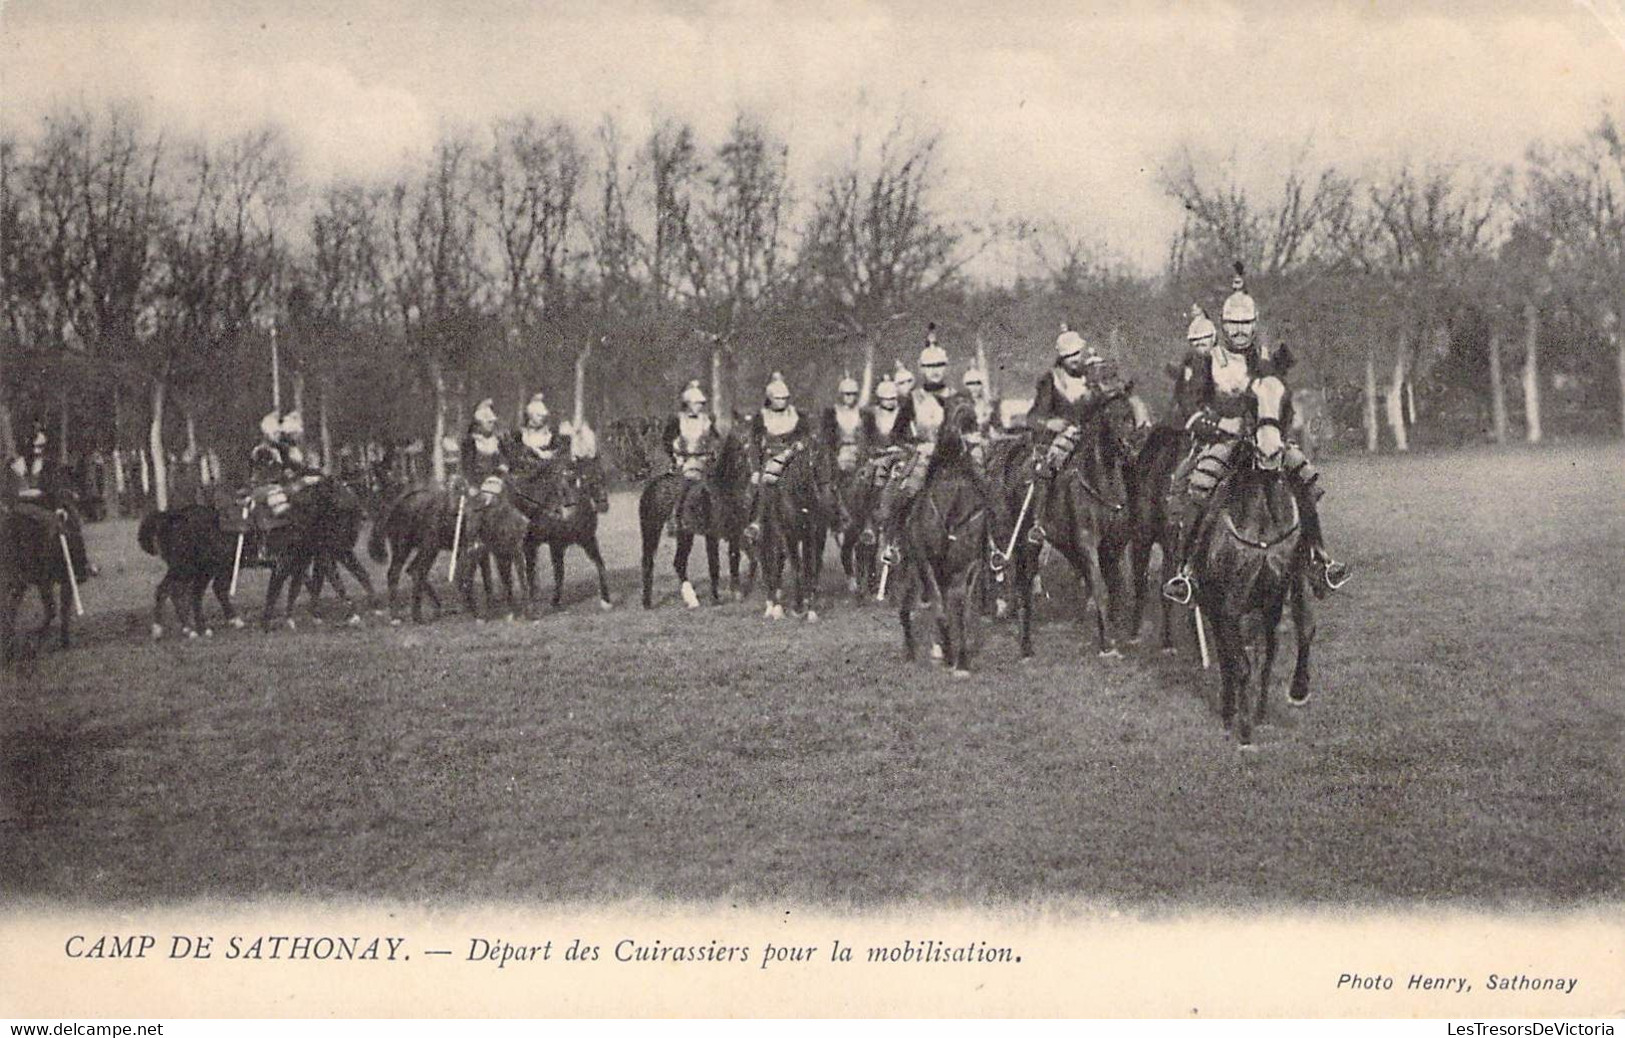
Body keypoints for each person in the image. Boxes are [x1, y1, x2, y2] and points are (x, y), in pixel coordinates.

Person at [1161, 266, 1348, 604]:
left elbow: (1281, 400)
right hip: (1221, 441)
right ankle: (1185, 570)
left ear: (1255, 323)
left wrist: (1276, 430)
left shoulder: (1264, 359)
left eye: (1246, 323)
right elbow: (1191, 407)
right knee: (1196, 487)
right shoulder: (1209, 361)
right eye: (1233, 324)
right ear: (1223, 325)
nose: (1240, 331)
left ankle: (1319, 557)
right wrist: (1220, 425)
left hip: (1262, 439)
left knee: (1304, 479)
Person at [865, 327, 1002, 569]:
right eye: (930, 367)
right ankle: (894, 543)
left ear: (946, 367)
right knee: (904, 490)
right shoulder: (912, 398)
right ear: (922, 369)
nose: (935, 371)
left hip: (956, 458)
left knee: (986, 487)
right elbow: (897, 434)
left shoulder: (959, 398)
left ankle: (994, 546)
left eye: (939, 365)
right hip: (925, 457)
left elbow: (971, 430)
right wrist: (917, 446)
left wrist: (971, 441)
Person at [1022, 328, 1111, 545]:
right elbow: (1033, 418)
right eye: (1068, 356)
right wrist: (1050, 423)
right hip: (1064, 437)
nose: (1073, 360)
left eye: (1076, 354)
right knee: (1046, 466)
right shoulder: (1052, 380)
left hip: (1094, 434)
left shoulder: (1094, 374)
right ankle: (1038, 522)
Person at [742, 372, 809, 542]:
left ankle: (811, 519)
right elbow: (754, 443)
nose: (782, 402)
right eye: (778, 398)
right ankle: (757, 521)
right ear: (770, 398)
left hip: (794, 458)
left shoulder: (797, 415)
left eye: (785, 398)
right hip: (769, 459)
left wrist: (801, 444)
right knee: (764, 482)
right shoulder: (761, 417)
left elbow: (805, 435)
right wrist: (755, 469)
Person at [663, 379, 720, 536]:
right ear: (687, 403)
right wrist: (674, 456)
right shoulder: (678, 420)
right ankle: (676, 518)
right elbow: (667, 440)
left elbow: (715, 438)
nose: (699, 407)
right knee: (685, 484)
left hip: (704, 458)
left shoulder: (706, 420)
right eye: (696, 403)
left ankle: (717, 518)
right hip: (684, 458)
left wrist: (713, 450)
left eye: (701, 403)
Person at [507, 392, 570, 477]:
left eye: (543, 416)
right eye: (538, 415)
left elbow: (557, 457)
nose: (542, 418)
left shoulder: (551, 436)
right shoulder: (520, 435)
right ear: (530, 415)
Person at [822, 374, 866, 476]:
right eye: (847, 394)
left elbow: (868, 437)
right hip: (837, 454)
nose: (850, 397)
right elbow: (826, 438)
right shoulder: (831, 414)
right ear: (841, 394)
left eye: (853, 394)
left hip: (859, 454)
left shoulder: (863, 414)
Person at [460, 399, 508, 483]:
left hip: (497, 482)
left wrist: (503, 467)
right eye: (488, 422)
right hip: (476, 484)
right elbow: (467, 468)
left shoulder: (498, 441)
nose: (491, 425)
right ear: (479, 423)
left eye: (492, 422)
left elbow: (504, 460)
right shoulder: (471, 442)